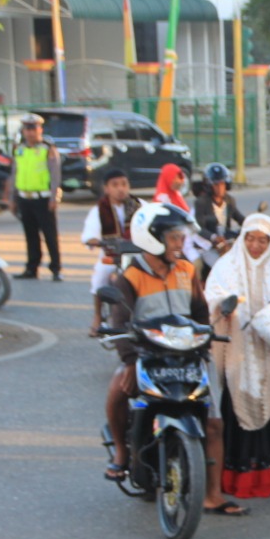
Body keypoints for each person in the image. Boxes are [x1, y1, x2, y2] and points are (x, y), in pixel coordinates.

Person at [104, 203, 209, 481]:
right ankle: (121, 452)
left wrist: (205, 345)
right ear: (153, 238)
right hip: (146, 356)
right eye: (174, 237)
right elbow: (118, 322)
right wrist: (128, 362)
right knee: (116, 391)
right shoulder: (130, 277)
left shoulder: (187, 270)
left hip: (186, 356)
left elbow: (201, 312)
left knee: (212, 410)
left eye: (181, 237)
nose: (181, 243)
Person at [205, 214, 270, 499]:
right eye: (250, 238)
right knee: (237, 407)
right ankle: (237, 479)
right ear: (243, 238)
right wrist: (225, 307)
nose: (256, 245)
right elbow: (213, 297)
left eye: (262, 240)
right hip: (238, 349)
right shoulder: (226, 267)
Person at [81, 168, 141, 336]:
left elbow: (153, 218)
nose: (120, 188)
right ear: (106, 188)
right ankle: (98, 317)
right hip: (111, 256)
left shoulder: (139, 205)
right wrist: (94, 239)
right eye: (115, 185)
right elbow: (90, 234)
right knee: (100, 276)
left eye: (124, 184)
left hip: (137, 255)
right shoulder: (99, 210)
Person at [5, 113, 63, 281]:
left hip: (43, 198)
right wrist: (12, 199)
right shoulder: (19, 148)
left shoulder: (48, 148)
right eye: (27, 129)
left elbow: (55, 175)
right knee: (30, 235)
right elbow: (15, 173)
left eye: (33, 128)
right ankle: (32, 268)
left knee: (50, 235)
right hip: (24, 198)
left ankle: (56, 269)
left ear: (40, 129)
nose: (30, 132)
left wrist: (53, 197)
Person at [188, 163, 245, 277]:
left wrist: (252, 223)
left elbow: (240, 218)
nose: (220, 188)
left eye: (222, 184)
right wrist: (214, 238)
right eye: (216, 184)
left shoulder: (229, 201)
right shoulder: (201, 202)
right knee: (220, 268)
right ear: (209, 186)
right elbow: (199, 228)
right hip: (206, 246)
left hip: (226, 244)